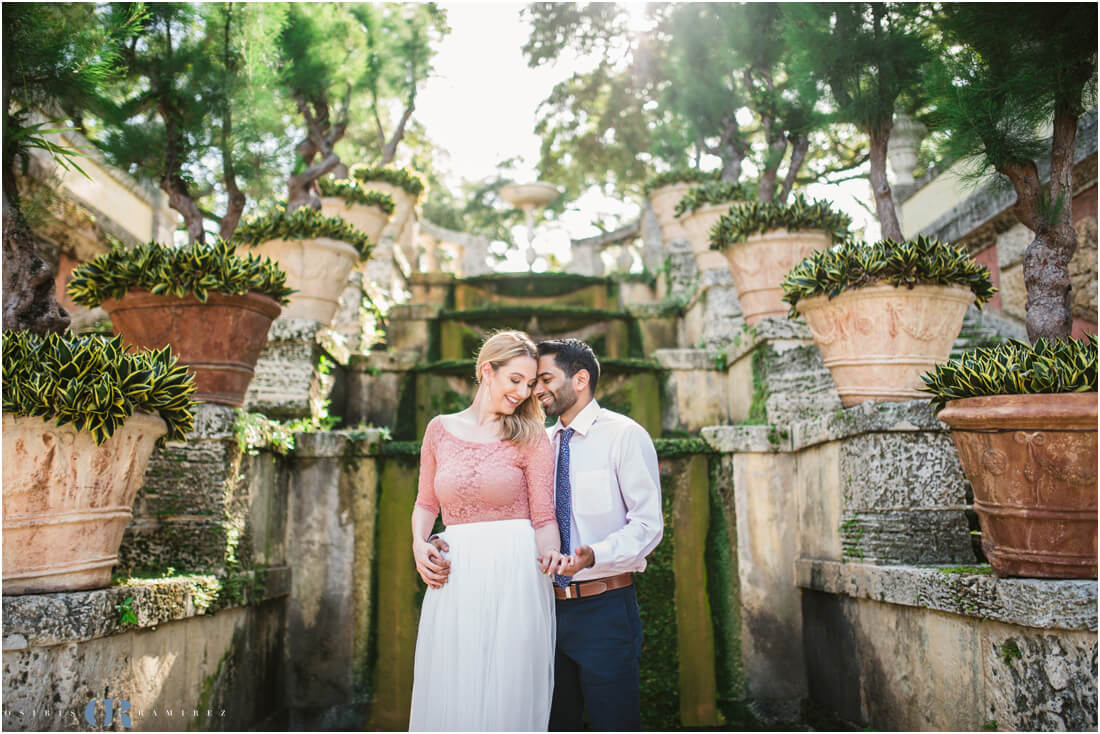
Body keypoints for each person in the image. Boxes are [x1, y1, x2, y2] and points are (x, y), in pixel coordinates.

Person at [408, 330, 565, 732]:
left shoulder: (530, 436)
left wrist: (551, 558)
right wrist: (418, 544)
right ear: (486, 371)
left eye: (529, 384)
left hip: (516, 573)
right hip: (455, 574)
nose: (522, 392)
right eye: (515, 380)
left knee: (507, 693)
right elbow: (427, 503)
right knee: (452, 683)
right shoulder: (438, 430)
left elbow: (544, 516)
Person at [533, 338, 664, 732]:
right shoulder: (537, 442)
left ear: (580, 378)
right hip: (543, 612)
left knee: (615, 722)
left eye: (545, 379)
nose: (536, 390)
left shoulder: (625, 435)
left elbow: (647, 525)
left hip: (605, 609)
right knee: (553, 723)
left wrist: (594, 556)